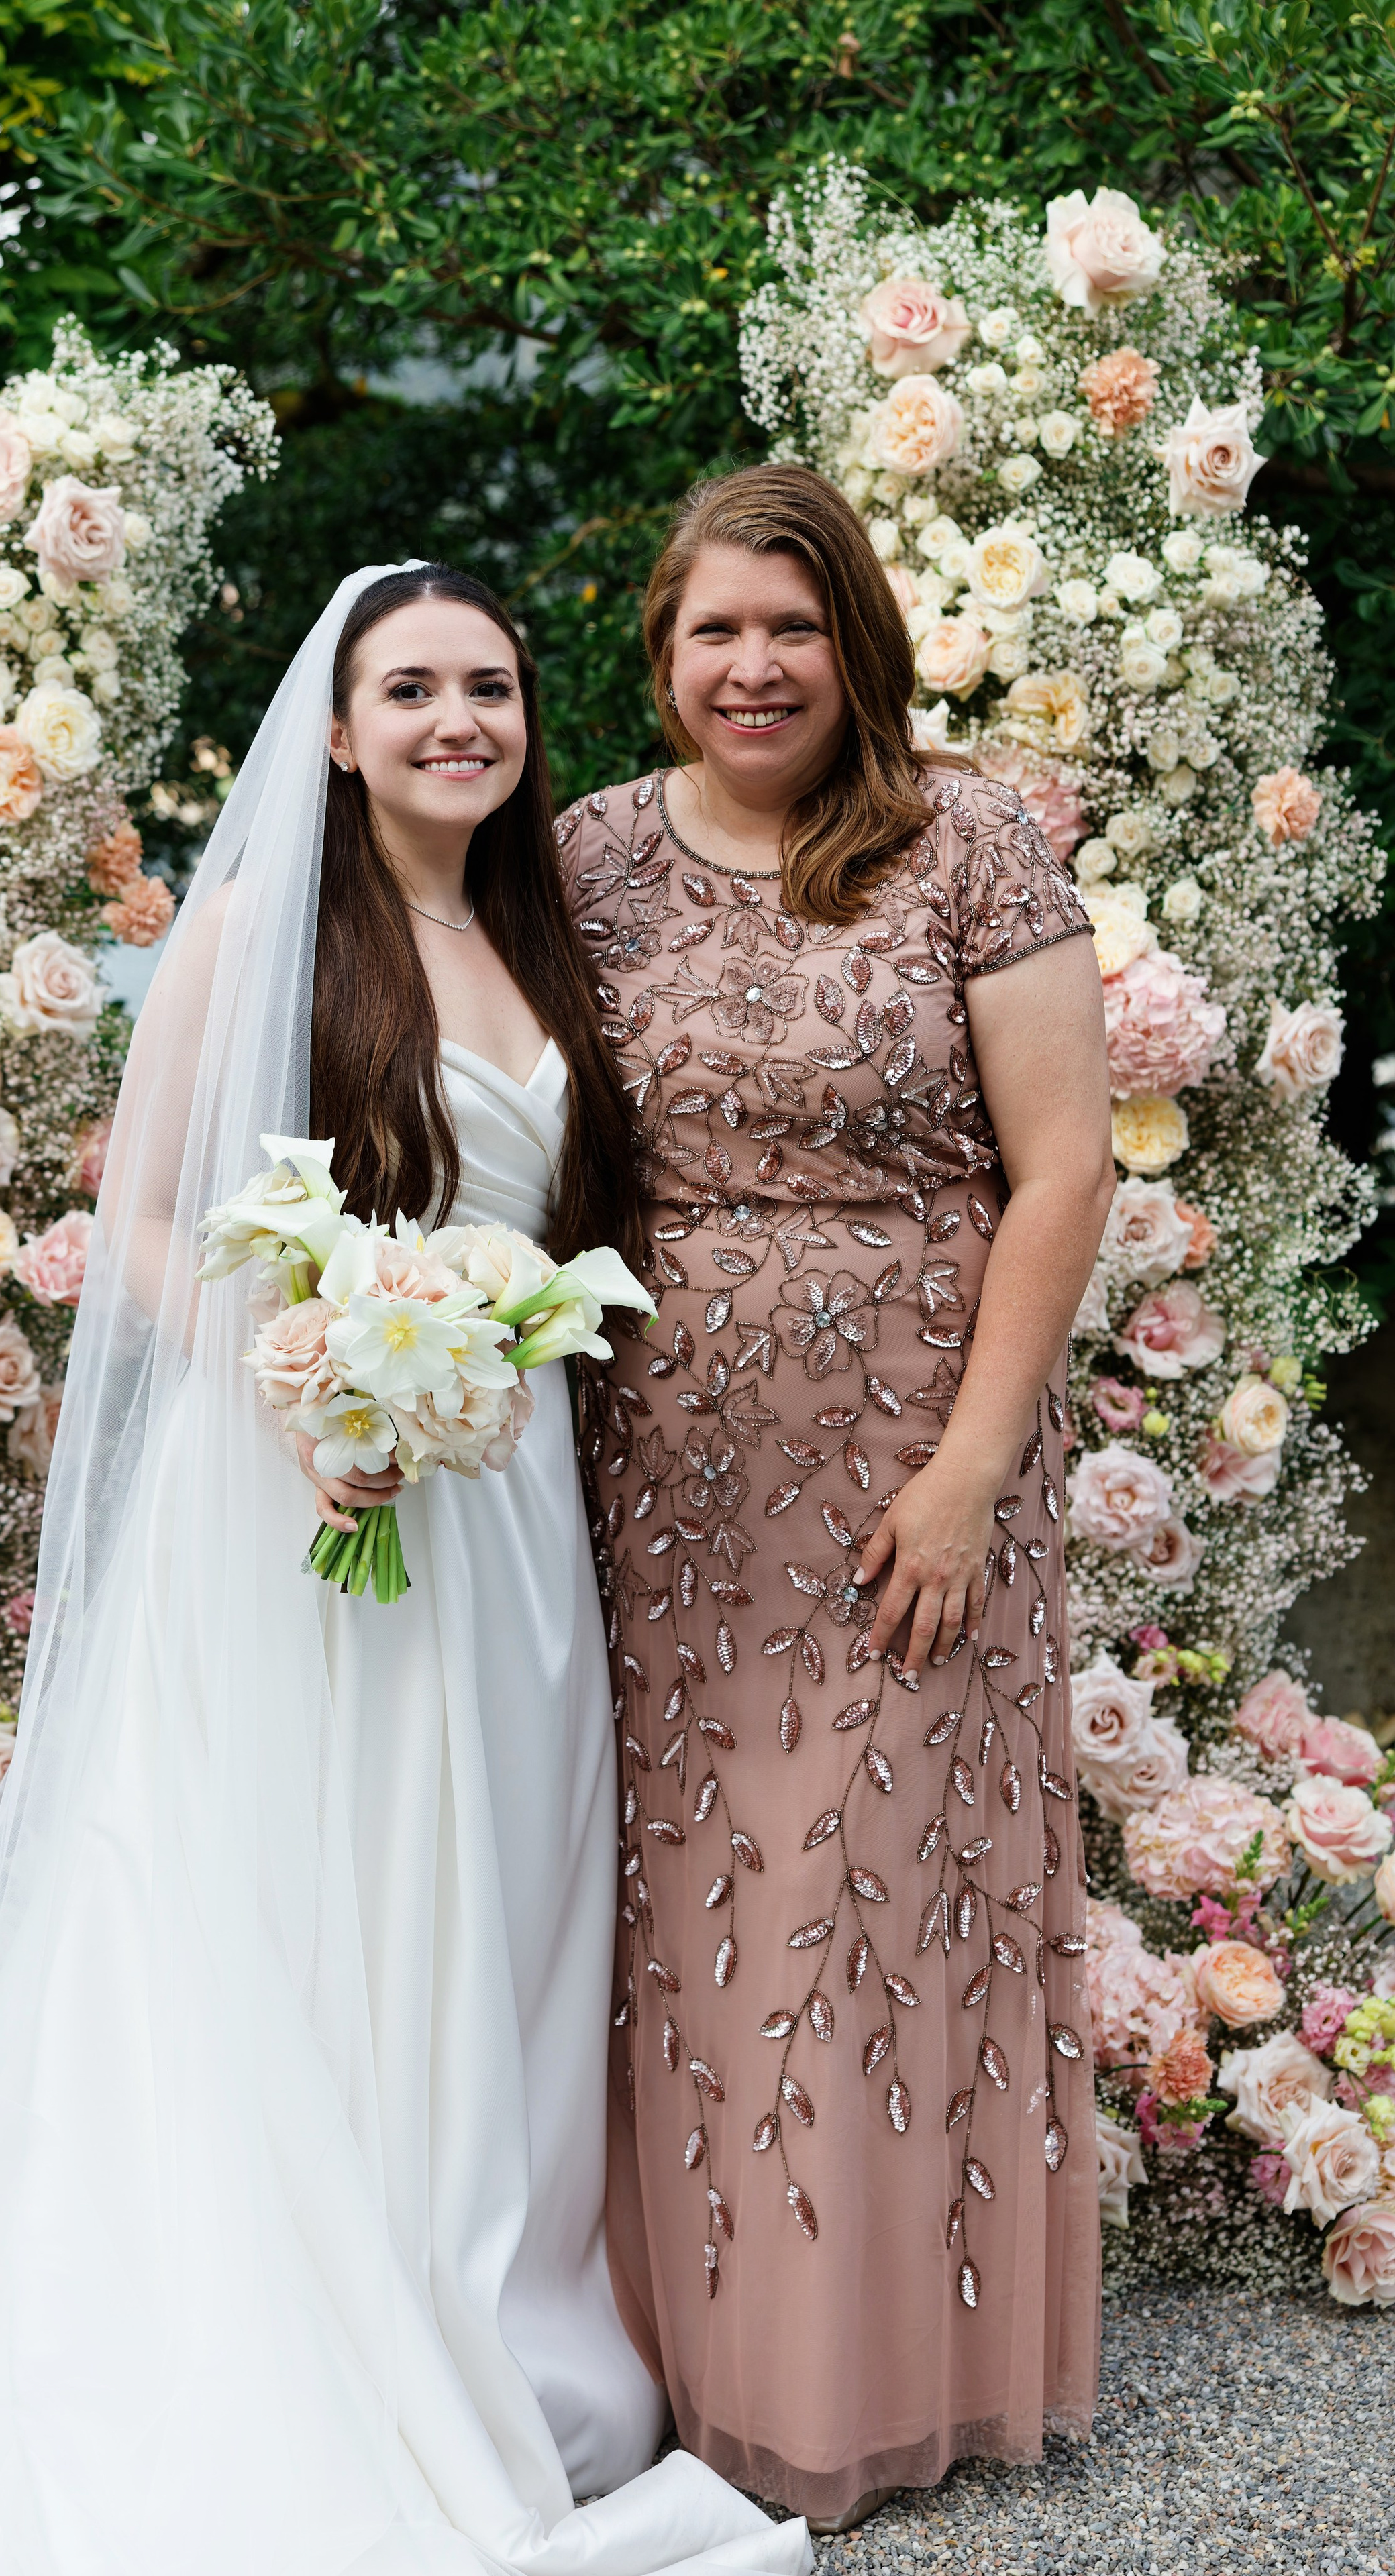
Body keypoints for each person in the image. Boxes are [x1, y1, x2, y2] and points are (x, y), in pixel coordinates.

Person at [0, 565, 809, 2576]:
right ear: (342, 731)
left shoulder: (538, 927)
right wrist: (306, 1387)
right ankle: (322, 2352)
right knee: (337, 1889)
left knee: (507, 1904)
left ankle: (496, 2329)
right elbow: (140, 1221)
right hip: (317, 1489)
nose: (457, 720)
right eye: (412, 689)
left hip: (510, 1498)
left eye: (490, 685)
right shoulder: (261, 927)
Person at [559, 467, 1110, 2532]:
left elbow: (1064, 1169)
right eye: (717, 628)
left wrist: (972, 1472)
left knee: (874, 1910)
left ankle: (881, 2377)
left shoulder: (972, 842)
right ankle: (686, 2365)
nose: (754, 665)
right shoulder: (586, 855)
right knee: (694, 1914)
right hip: (653, 1486)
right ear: (664, 651)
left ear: (854, 642)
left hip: (913, 1477)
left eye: (792, 626)